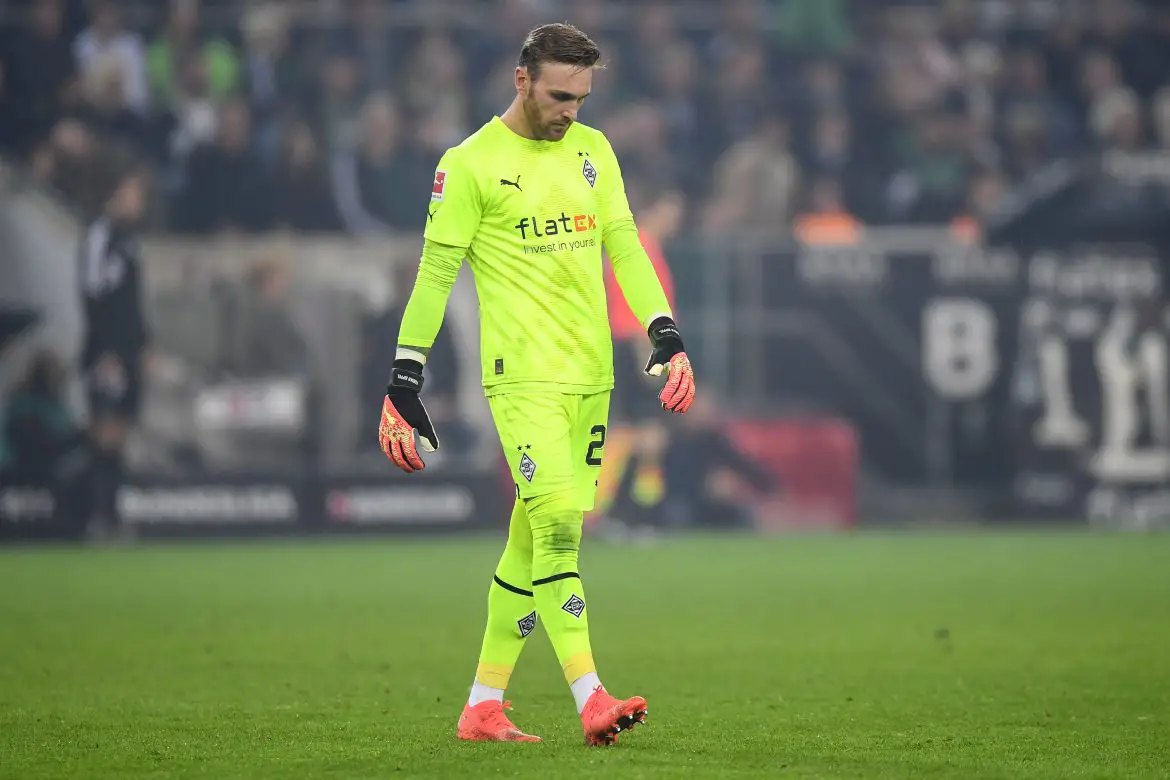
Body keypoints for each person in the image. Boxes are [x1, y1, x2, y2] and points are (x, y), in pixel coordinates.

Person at [375, 23, 696, 745]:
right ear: (521, 81)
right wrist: (405, 378)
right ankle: (591, 696)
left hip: (591, 375)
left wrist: (664, 333)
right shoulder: (470, 165)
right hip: (520, 379)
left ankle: (482, 705)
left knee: (529, 545)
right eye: (558, 96)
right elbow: (435, 276)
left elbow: (626, 245)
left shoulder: (593, 151)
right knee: (557, 531)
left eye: (581, 98)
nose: (570, 111)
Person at [78, 150, 150, 541]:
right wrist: (103, 351)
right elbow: (93, 296)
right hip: (106, 354)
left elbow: (131, 302)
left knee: (119, 434)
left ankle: (113, 516)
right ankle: (95, 517)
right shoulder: (99, 237)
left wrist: (142, 344)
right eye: (133, 193)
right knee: (103, 431)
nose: (138, 201)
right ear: (116, 193)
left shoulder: (127, 241)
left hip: (126, 353)